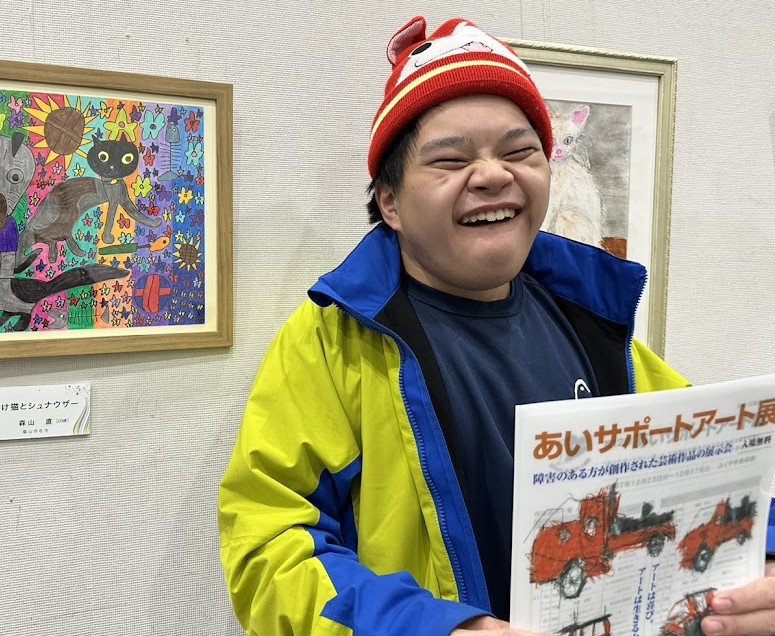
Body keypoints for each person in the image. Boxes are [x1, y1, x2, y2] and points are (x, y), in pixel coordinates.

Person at [218, 15, 775, 636]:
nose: (492, 175)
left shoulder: (587, 320)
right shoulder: (336, 340)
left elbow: (712, 462)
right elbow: (269, 546)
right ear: (390, 202)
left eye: (519, 152)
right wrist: (440, 629)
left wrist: (765, 552)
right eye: (450, 160)